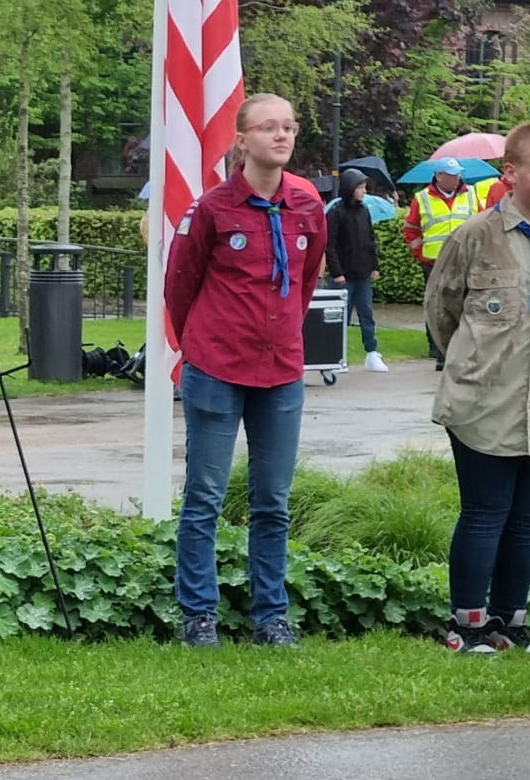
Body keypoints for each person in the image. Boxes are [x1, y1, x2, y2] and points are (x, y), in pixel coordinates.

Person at [164, 93, 326, 650]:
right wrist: (206, 344)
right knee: (204, 497)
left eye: (289, 126)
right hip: (216, 367)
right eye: (268, 127)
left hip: (279, 370)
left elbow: (302, 286)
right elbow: (179, 287)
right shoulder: (212, 208)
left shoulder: (306, 205)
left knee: (273, 502)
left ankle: (271, 616)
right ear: (242, 140)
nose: (281, 136)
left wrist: (275, 334)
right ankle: (198, 616)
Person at [425, 120, 530, 654]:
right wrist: (473, 362)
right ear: (511, 174)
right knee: (485, 514)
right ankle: (468, 624)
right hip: (484, 399)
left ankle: (512, 622)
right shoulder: (476, 237)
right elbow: (442, 311)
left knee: (529, 520)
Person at [402, 160, 486, 369]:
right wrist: (420, 253)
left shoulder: (471, 193)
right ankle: (439, 350)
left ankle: (463, 347)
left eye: (457, 174)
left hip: (466, 259)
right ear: (439, 176)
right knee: (437, 306)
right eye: (451, 174)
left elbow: (484, 223)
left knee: (466, 302)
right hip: (434, 261)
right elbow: (411, 228)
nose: (456, 178)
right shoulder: (422, 198)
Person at [324, 167, 385, 372]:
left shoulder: (364, 210)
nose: (364, 191)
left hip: (363, 274)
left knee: (367, 314)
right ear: (350, 188)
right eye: (360, 187)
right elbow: (329, 244)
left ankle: (372, 352)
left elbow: (369, 240)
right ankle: (335, 354)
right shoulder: (335, 213)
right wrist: (337, 272)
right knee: (340, 317)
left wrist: (374, 265)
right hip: (344, 275)